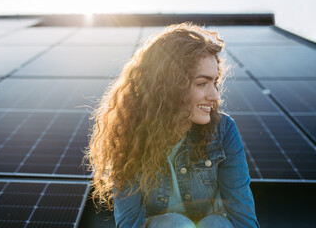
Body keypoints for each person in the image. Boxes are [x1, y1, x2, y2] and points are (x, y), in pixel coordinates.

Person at [86, 23, 259, 228]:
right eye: (202, 83)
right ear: (169, 86)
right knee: (176, 224)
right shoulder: (128, 136)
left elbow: (242, 215)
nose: (214, 96)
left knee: (216, 224)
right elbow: (129, 223)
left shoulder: (224, 130)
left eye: (215, 83)